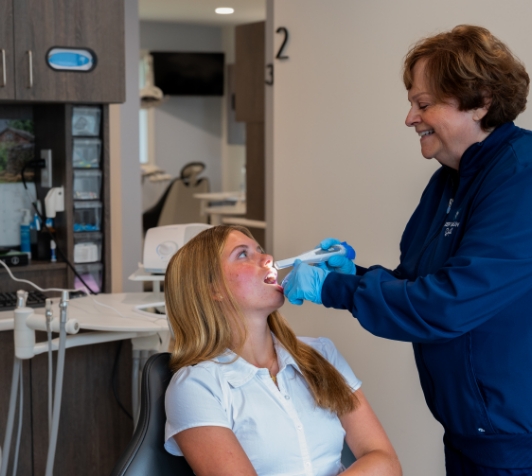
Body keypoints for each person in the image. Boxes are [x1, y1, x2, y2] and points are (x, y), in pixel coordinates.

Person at [282, 25, 532, 475]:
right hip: (468, 431)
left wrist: (336, 289)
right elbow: (419, 284)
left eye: (424, 104)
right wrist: (352, 274)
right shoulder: (447, 181)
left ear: (480, 102)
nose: (410, 118)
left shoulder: (521, 177)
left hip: (516, 441)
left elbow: (449, 304)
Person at [163, 225, 402, 476]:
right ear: (212, 289)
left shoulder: (321, 354)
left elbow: (386, 463)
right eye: (243, 254)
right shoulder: (197, 387)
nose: (267, 259)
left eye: (261, 250)